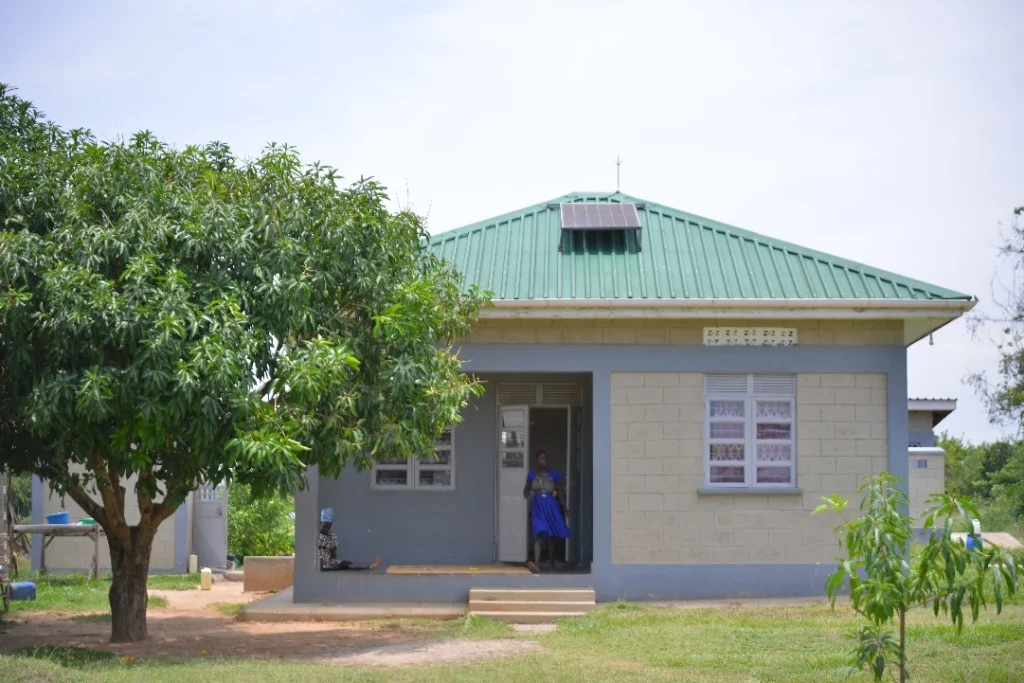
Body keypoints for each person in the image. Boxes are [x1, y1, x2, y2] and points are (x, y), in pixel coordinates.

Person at [523, 450, 571, 573]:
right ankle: (537, 564)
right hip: (538, 505)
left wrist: (565, 508)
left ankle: (551, 564)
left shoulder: (553, 474)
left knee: (551, 536)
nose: (544, 460)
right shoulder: (532, 474)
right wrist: (528, 495)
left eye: (545, 458)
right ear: (537, 460)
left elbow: (559, 491)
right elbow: (526, 490)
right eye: (541, 458)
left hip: (551, 505)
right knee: (538, 533)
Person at [317, 508, 382, 571]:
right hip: (320, 563)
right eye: (325, 526)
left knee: (349, 564)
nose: (326, 528)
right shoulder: (315, 535)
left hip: (331, 562)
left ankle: (370, 566)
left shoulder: (332, 536)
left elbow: (334, 550)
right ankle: (369, 566)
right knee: (345, 565)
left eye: (329, 526)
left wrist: (332, 558)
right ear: (320, 523)